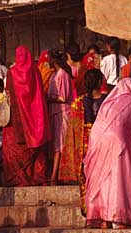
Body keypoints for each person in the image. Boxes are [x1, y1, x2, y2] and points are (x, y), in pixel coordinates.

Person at [84, 78, 131, 229]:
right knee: (117, 176)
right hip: (117, 140)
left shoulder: (108, 101)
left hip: (96, 138)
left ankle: (102, 218)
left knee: (102, 177)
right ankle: (118, 217)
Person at [59, 69, 107, 215]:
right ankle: (102, 208)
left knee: (85, 176)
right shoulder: (108, 100)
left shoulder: (77, 103)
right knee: (102, 175)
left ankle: (88, 209)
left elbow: (72, 130)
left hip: (83, 143)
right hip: (102, 141)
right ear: (100, 82)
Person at [2, 46, 50, 186]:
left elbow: (10, 92)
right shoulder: (35, 70)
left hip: (18, 117)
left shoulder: (12, 73)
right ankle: (38, 177)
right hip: (36, 115)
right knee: (38, 145)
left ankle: (21, 178)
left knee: (15, 146)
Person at [48, 49, 74, 185]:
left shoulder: (62, 75)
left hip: (62, 112)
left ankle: (56, 176)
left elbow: (63, 97)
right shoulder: (54, 75)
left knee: (61, 145)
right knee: (57, 145)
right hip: (55, 113)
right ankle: (57, 175)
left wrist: (48, 98)